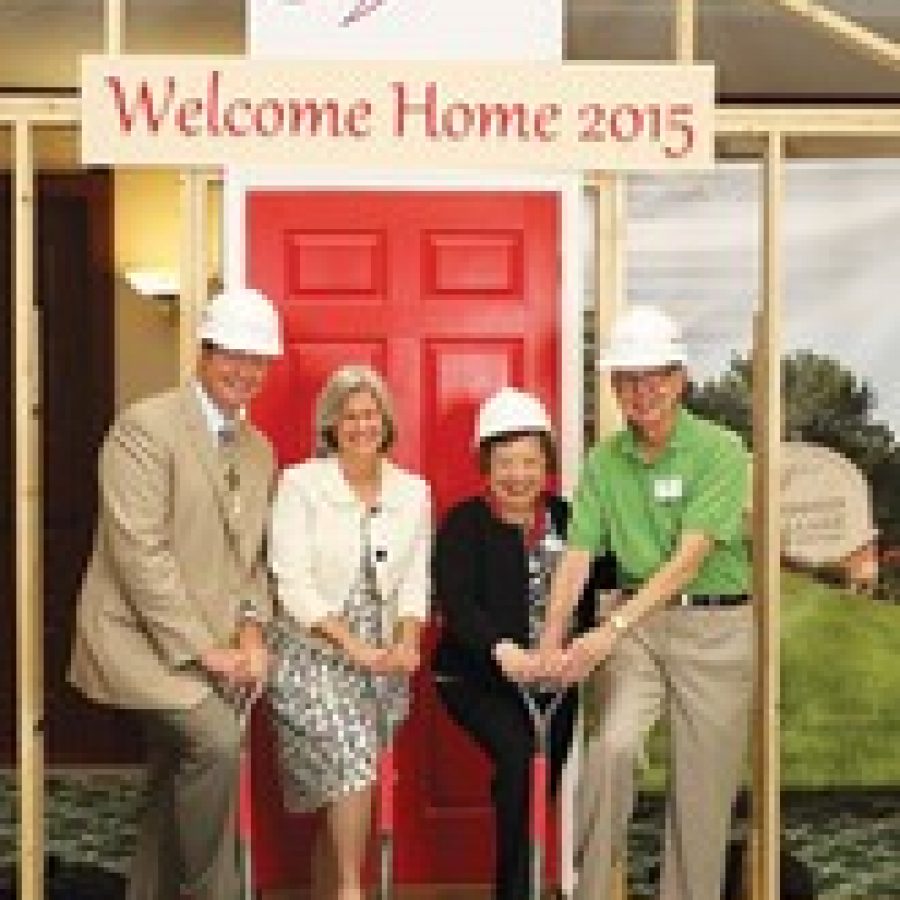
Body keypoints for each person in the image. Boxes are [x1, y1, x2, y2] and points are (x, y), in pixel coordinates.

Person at [68, 287, 283, 900]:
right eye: (232, 355)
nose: (244, 371)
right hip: (136, 640)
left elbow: (250, 562)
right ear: (203, 353)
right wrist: (204, 651)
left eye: (257, 359)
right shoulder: (145, 428)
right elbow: (140, 555)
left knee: (170, 783)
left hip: (211, 647)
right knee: (216, 740)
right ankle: (209, 892)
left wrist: (251, 632)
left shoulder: (259, 450)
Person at [539, 305, 754, 900]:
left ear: (680, 379)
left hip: (716, 628)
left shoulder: (720, 449)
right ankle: (589, 889)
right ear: (612, 387)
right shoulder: (605, 462)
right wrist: (551, 639)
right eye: (628, 379)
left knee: (701, 793)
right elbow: (578, 556)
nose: (642, 391)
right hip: (636, 629)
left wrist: (612, 627)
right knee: (612, 748)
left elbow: (691, 556)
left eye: (655, 376)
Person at [431, 388, 616, 900]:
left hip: (555, 679)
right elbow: (459, 605)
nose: (517, 475)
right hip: (479, 679)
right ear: (485, 465)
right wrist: (504, 652)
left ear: (548, 464)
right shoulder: (464, 525)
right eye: (504, 462)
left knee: (541, 782)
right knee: (518, 754)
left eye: (529, 462)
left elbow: (604, 582)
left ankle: (534, 884)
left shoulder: (568, 517)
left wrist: (582, 647)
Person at [267, 364, 431, 900]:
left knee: (345, 784)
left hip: (383, 659)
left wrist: (407, 641)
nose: (362, 425)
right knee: (354, 765)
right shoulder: (301, 483)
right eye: (350, 416)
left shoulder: (413, 492)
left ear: (386, 422)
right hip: (312, 650)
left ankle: (336, 888)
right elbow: (289, 582)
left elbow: (414, 580)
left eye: (371, 414)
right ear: (331, 425)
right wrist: (353, 647)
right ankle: (349, 893)